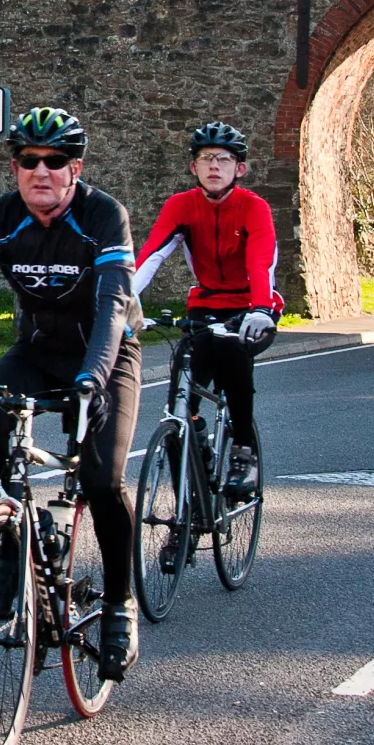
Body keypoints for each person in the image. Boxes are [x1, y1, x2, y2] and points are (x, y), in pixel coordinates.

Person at [0, 106, 144, 681]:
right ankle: (12, 542)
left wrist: (93, 380)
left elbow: (113, 306)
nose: (40, 171)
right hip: (39, 349)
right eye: (27, 161)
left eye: (55, 161)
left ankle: (120, 604)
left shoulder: (103, 216)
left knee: (101, 479)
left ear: (76, 168)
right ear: (14, 167)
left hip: (107, 355)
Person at [132, 120, 281, 498]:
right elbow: (152, 254)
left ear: (239, 169)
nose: (214, 166)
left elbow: (260, 263)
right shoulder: (180, 206)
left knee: (233, 362)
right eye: (205, 158)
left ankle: (244, 452)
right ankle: (194, 450)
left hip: (249, 305)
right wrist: (124, 298)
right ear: (193, 167)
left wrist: (261, 308)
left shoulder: (253, 207)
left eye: (224, 159)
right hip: (205, 303)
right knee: (182, 388)